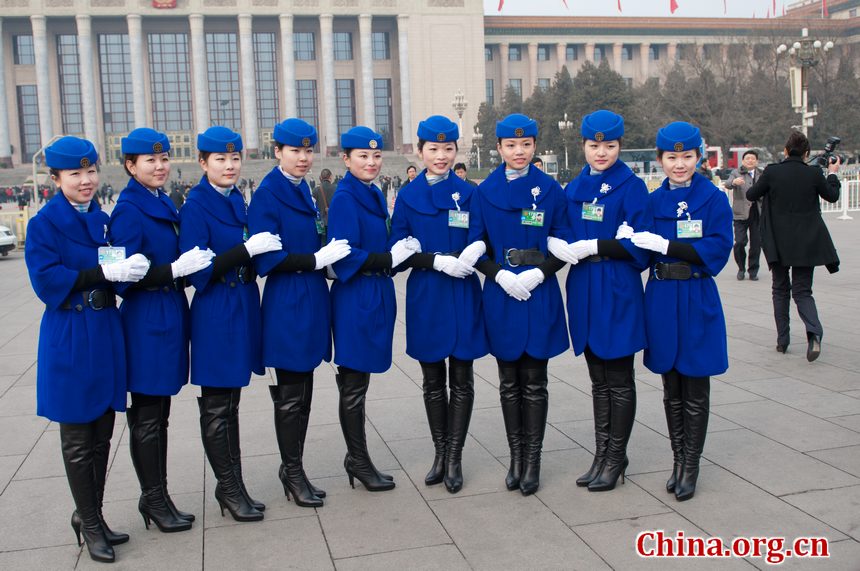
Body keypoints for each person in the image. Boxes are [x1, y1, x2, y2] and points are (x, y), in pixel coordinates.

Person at [25, 136, 151, 562]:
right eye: (75, 173)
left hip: (103, 328)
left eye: (91, 171)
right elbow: (47, 282)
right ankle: (90, 521)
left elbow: (113, 274)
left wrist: (126, 271)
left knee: (102, 432)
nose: (86, 180)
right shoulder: (44, 224)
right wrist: (101, 271)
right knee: (79, 434)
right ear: (56, 177)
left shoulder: (101, 218)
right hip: (72, 331)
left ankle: (90, 514)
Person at [108, 128, 214, 533]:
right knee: (148, 417)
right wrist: (171, 271)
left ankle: (157, 494)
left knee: (160, 415)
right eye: (150, 161)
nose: (160, 166)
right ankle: (153, 499)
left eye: (164, 159)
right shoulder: (127, 210)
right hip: (145, 321)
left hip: (168, 314)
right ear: (130, 166)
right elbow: (119, 278)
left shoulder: (163, 202)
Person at [179, 126, 282, 522]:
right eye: (220, 159)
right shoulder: (196, 206)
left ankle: (234, 485)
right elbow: (197, 274)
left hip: (241, 302)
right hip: (216, 309)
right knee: (217, 405)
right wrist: (244, 250)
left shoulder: (237, 198)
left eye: (235, 158)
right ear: (203, 163)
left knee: (232, 402)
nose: (230, 165)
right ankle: (228, 488)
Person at [248, 118, 351, 508]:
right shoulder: (268, 193)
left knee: (304, 391)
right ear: (278, 152)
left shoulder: (304, 190)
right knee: (290, 395)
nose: (304, 158)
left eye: (308, 151)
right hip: (286, 302)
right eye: (295, 151)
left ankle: (294, 467)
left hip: (309, 297)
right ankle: (292, 471)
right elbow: (267, 258)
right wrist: (314, 259)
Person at [548, 110, 652, 492]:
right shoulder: (574, 188)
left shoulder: (632, 187)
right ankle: (603, 453)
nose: (602, 153)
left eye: (609, 146)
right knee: (598, 379)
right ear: (584, 146)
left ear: (620, 146)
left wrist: (607, 244)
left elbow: (641, 245)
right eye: (594, 146)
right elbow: (561, 231)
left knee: (619, 376)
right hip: (584, 285)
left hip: (616, 284)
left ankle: (616, 456)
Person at [468, 113, 571, 496]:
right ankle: (516, 456)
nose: (519, 152)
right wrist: (499, 275)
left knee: (536, 381)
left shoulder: (550, 190)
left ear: (534, 146)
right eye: (511, 146)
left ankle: (534, 460)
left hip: (537, 290)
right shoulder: (484, 192)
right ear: (498, 148)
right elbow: (475, 248)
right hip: (502, 293)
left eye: (525, 145)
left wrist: (540, 273)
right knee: (508, 381)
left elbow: (564, 245)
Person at [630, 122, 732, 502]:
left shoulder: (714, 199)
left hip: (695, 291)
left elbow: (717, 250)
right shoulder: (652, 202)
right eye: (671, 157)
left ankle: (692, 464)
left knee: (695, 384)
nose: (679, 164)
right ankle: (677, 459)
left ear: (698, 158)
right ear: (660, 159)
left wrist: (667, 245)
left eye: (686, 157)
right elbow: (640, 253)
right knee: (670, 385)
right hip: (661, 295)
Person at [390, 116, 489, 494]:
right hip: (428, 291)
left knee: (461, 379)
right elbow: (398, 248)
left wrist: (474, 249)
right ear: (420, 151)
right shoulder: (408, 196)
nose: (442, 156)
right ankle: (439, 451)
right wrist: (432, 260)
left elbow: (479, 235)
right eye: (433, 149)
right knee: (433, 381)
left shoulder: (469, 192)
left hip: (462, 288)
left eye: (448, 149)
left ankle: (455, 457)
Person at [327, 126, 421, 492]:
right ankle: (358, 460)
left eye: (376, 156)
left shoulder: (370, 192)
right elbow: (345, 253)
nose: (371, 162)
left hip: (373, 294)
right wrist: (387, 257)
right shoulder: (345, 198)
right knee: (352, 384)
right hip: (354, 298)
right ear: (346, 159)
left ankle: (358, 458)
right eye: (363, 156)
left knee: (359, 384)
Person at [747, 131, 840, 361]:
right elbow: (832, 196)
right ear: (807, 153)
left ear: (786, 151)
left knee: (780, 289)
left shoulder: (772, 172)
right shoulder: (814, 173)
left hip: (778, 241)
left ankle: (783, 339)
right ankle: (814, 334)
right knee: (802, 291)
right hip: (806, 241)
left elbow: (751, 194)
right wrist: (832, 174)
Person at [725, 150, 763, 280]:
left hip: (757, 212)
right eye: (747, 158)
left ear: (756, 161)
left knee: (756, 243)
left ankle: (753, 270)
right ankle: (741, 268)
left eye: (753, 158)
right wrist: (734, 182)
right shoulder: (736, 173)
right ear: (743, 161)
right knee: (740, 242)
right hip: (740, 213)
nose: (750, 161)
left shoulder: (761, 173)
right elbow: (728, 184)